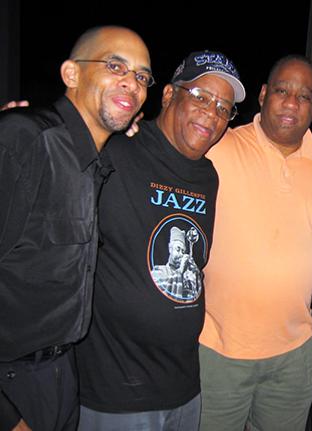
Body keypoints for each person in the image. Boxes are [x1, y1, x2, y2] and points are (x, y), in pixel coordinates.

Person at [74, 51, 245, 430]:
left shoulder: (209, 178)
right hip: (115, 392)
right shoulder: (114, 149)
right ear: (168, 94)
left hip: (184, 384)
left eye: (223, 107)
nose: (212, 112)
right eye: (200, 96)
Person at [0, 26, 151, 431]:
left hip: (62, 374)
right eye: (115, 65)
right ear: (71, 74)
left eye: (141, 76)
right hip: (14, 384)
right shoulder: (25, 139)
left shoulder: (97, 161)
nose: (131, 82)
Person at [198, 55, 312, 431]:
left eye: (304, 96)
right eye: (282, 90)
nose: (291, 103)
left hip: (293, 354)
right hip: (218, 347)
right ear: (263, 95)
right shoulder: (218, 147)